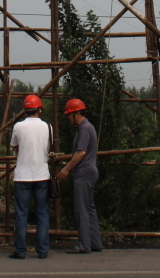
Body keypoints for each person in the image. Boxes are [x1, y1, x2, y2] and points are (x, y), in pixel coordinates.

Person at [56, 98, 103, 254]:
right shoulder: (88, 127)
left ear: (77, 113)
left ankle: (84, 244)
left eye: (69, 115)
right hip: (90, 172)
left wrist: (66, 169)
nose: (68, 118)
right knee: (90, 208)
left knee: (81, 210)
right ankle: (95, 242)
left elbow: (81, 152)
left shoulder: (84, 129)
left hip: (83, 173)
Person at [9, 94, 52, 260]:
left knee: (21, 214)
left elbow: (14, 146)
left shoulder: (18, 127)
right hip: (42, 175)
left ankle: (20, 251)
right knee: (42, 213)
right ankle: (43, 250)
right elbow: (47, 147)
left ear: (25, 110)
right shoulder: (48, 127)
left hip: (22, 176)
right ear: (39, 109)